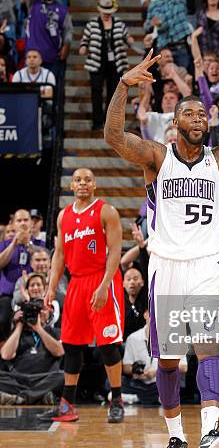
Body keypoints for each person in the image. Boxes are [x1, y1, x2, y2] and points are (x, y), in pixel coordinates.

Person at [104, 51, 219, 448]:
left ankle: (209, 434)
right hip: (165, 265)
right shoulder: (156, 156)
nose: (199, 117)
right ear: (176, 123)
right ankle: (175, 440)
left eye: (203, 113)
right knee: (167, 358)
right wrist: (123, 85)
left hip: (205, 262)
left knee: (208, 347)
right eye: (190, 112)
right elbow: (113, 136)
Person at [38, 168, 125, 424]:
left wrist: (104, 285)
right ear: (71, 185)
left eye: (87, 180)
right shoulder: (63, 216)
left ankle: (116, 400)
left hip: (103, 279)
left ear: (94, 185)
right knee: (72, 345)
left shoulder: (106, 211)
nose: (83, 183)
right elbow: (59, 255)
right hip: (76, 283)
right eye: (78, 180)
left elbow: (116, 251)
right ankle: (66, 405)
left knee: (108, 345)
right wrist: (51, 286)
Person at [0, 272, 64, 405]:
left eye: (38, 285)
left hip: (44, 377)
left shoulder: (51, 331)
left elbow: (60, 352)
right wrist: (18, 326)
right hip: (18, 377)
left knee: (63, 376)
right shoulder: (18, 330)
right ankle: (39, 396)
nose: (33, 315)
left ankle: (21, 397)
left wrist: (39, 328)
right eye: (32, 285)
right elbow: (6, 355)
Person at [79, 0, 134, 130]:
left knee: (113, 94)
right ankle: (97, 122)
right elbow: (85, 40)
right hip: (97, 63)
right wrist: (83, 47)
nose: (106, 14)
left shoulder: (119, 23)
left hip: (115, 64)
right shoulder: (92, 23)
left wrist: (131, 40)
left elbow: (127, 38)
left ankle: (110, 123)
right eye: (104, 11)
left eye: (108, 12)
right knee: (96, 92)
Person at [0, 209, 45, 340]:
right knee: (3, 320)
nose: (23, 223)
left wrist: (29, 246)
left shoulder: (39, 245)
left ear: (31, 223)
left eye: (26, 220)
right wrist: (14, 243)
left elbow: (44, 264)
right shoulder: (4, 244)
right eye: (19, 220)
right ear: (13, 224)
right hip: (8, 295)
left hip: (33, 294)